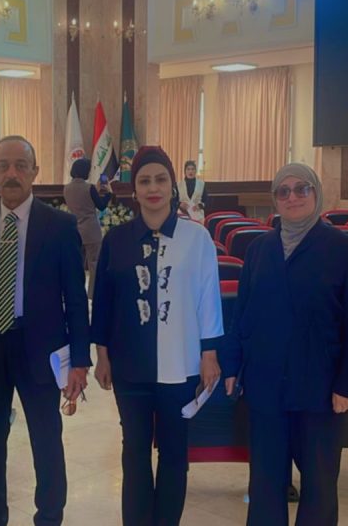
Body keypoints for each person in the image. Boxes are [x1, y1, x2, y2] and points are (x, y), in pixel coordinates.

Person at [222, 163, 348, 526]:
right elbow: (243, 316)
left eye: (301, 188)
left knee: (319, 487)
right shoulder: (259, 250)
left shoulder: (344, 250)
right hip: (265, 387)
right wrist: (232, 366)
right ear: (275, 199)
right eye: (283, 191)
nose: (292, 197)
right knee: (265, 485)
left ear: (316, 193)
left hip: (320, 390)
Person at [0, 135, 91, 526]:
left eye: (20, 165)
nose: (11, 173)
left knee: (46, 441)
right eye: (4, 166)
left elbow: (75, 299)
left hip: (42, 350)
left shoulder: (60, 225)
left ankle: (49, 516)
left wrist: (79, 361)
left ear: (35, 172)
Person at [92, 145, 223, 526]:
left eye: (161, 180)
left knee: (174, 454)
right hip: (129, 367)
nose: (153, 188)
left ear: (172, 186)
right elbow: (103, 303)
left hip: (181, 367)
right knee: (134, 453)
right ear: (134, 190)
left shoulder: (197, 238)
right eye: (145, 181)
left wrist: (210, 355)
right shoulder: (116, 240)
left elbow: (208, 300)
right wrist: (102, 355)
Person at [63, 157, 112, 298]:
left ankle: (76, 292)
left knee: (76, 264)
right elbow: (101, 206)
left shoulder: (66, 188)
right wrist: (108, 192)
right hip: (91, 230)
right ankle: (93, 293)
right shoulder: (89, 188)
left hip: (75, 230)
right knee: (94, 264)